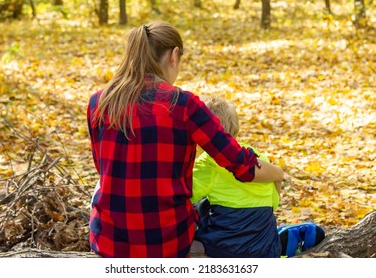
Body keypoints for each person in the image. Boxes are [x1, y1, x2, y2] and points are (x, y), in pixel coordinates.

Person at [87, 21, 284, 258]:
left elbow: (104, 168)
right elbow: (241, 165)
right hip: (167, 243)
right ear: (174, 55)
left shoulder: (99, 102)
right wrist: (278, 173)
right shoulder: (184, 105)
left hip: (109, 241)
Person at [191, 96, 282, 258]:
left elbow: (186, 194)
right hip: (266, 245)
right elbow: (274, 202)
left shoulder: (207, 163)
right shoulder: (258, 156)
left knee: (198, 208)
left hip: (228, 245)